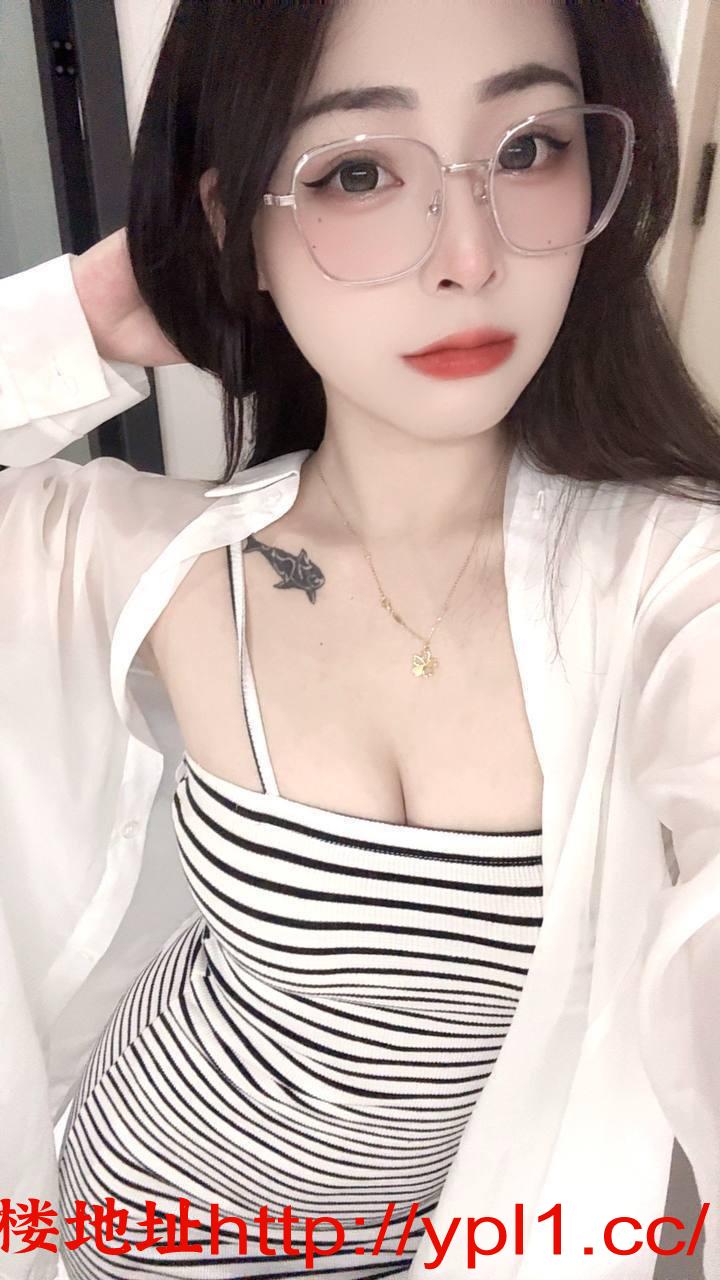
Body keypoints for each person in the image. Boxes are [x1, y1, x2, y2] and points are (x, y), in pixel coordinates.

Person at [1, 1, 719, 1278]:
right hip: (130, 1215)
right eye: (356, 173)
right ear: (240, 222)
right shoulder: (172, 564)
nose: (469, 256)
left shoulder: (671, 583)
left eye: (529, 147)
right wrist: (104, 304)